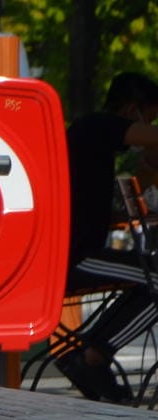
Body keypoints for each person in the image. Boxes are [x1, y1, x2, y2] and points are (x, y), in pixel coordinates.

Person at [53, 71, 158, 402]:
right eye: (150, 117)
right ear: (132, 109)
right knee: (155, 276)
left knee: (145, 276)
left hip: (73, 255)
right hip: (76, 258)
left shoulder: (91, 139)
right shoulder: (98, 125)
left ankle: (88, 355)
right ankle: (93, 356)